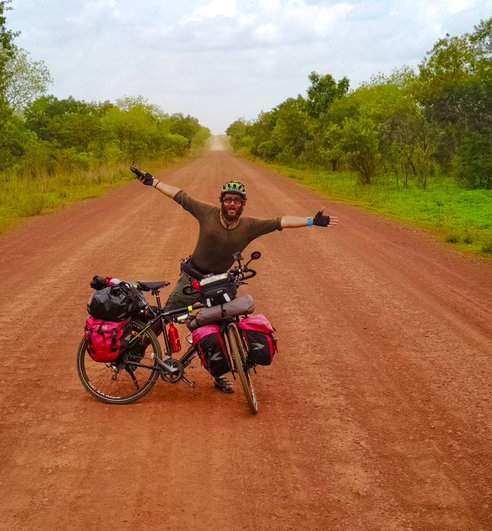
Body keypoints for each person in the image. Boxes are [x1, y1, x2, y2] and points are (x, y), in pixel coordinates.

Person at [130, 165, 338, 392]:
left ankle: (219, 377)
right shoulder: (207, 213)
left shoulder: (250, 226)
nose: (232, 204)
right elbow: (180, 196)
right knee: (164, 317)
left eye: (237, 201)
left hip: (219, 285)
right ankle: (136, 350)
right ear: (222, 201)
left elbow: (282, 222)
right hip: (192, 280)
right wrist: (154, 182)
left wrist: (311, 221)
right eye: (228, 200)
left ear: (243, 204)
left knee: (220, 327)